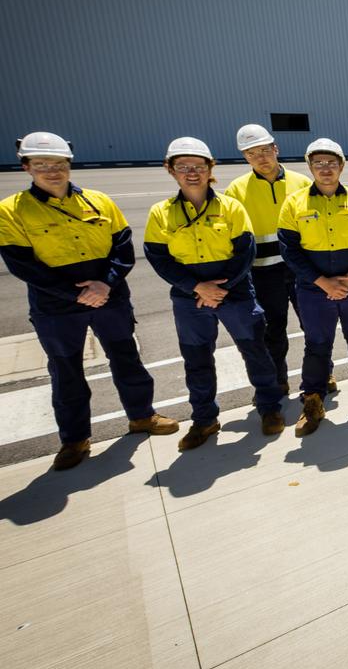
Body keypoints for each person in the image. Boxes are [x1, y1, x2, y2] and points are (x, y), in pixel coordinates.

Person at [0, 132, 177, 470]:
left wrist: (105, 285)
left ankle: (142, 416)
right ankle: (75, 439)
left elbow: (123, 249)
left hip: (109, 297)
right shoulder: (12, 211)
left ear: (69, 164)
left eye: (59, 164)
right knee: (66, 371)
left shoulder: (98, 201)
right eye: (42, 165)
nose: (52, 171)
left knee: (126, 358)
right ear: (26, 167)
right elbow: (22, 265)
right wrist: (78, 293)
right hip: (56, 306)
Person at [143, 137, 285, 449]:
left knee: (255, 350)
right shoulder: (161, 213)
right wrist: (196, 287)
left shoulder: (231, 207)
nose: (191, 173)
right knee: (196, 359)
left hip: (232, 291)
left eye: (198, 166)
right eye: (183, 167)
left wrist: (217, 289)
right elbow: (158, 257)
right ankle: (205, 419)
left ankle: (270, 408)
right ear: (171, 171)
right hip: (189, 295)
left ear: (210, 169)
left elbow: (245, 252)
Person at [277, 138, 348, 436]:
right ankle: (312, 404)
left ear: (342, 166)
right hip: (313, 289)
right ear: (310, 167)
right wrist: (322, 282)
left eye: (331, 163)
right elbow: (290, 250)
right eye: (319, 163)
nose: (325, 169)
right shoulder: (294, 203)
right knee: (317, 345)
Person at [223, 124, 312, 392]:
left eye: (264, 150)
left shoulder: (302, 183)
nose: (261, 158)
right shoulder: (236, 190)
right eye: (252, 154)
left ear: (276, 149)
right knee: (273, 330)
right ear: (245, 158)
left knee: (313, 327)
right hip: (263, 273)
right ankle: (279, 379)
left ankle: (321, 375)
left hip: (300, 270)